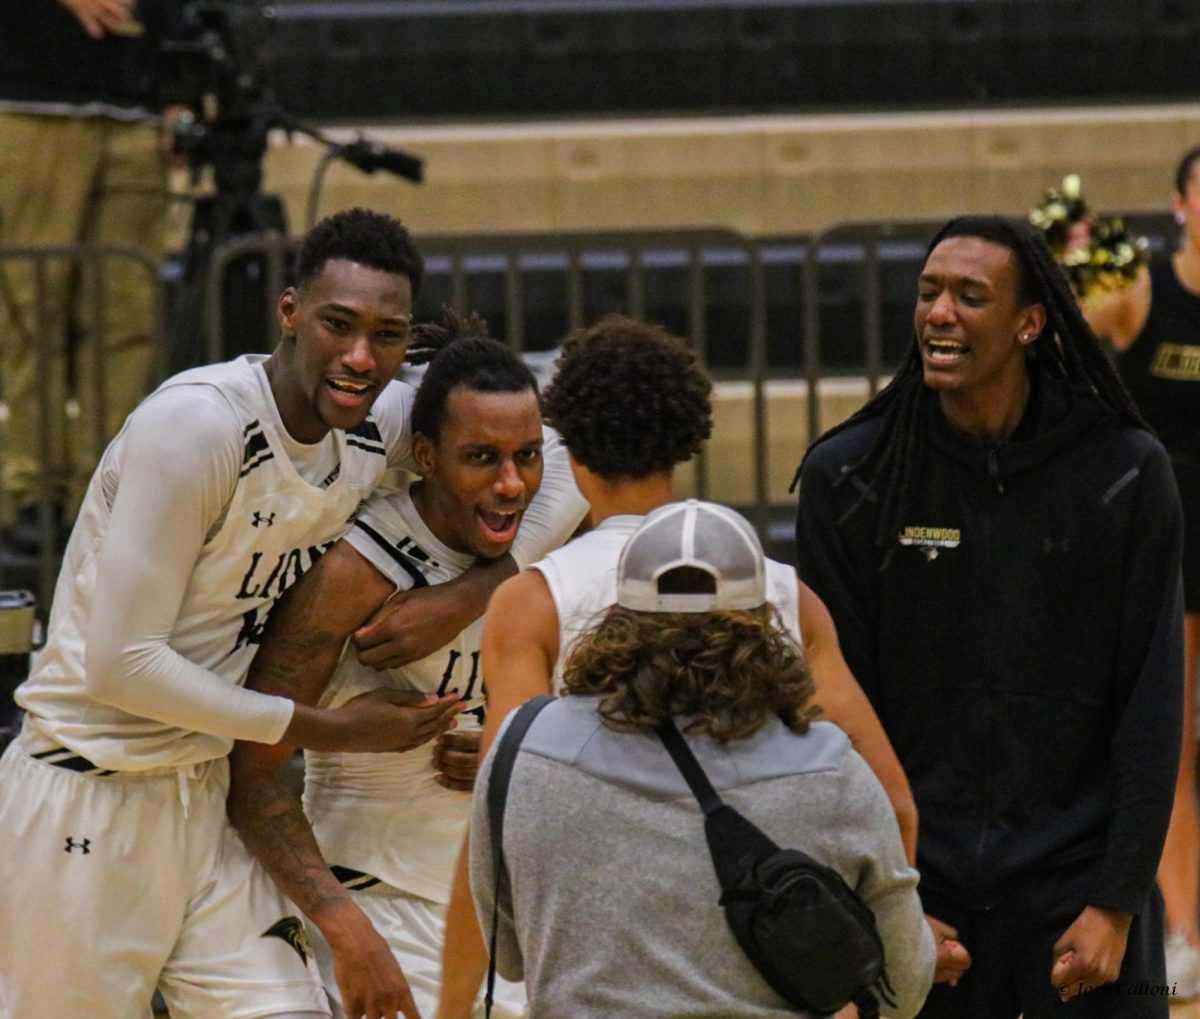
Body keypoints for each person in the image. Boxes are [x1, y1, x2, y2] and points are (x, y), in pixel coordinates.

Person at [0, 208, 583, 1018]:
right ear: (289, 313)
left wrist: (467, 595)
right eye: (337, 325)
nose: (359, 356)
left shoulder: (379, 423)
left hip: (204, 803)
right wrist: (333, 728)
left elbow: (556, 457)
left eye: (385, 335)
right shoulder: (196, 425)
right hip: (88, 793)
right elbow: (121, 664)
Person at [438, 314, 918, 1019]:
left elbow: (499, 820)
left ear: (566, 448)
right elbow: (892, 803)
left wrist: (452, 1010)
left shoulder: (533, 600)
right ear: (687, 438)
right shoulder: (782, 591)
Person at [795, 215, 1184, 1017]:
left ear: (1030, 322)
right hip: (919, 896)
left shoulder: (1123, 471)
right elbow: (834, 715)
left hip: (1082, 896)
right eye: (930, 291)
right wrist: (888, 893)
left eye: (971, 296)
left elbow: (1152, 706)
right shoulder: (855, 476)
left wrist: (1116, 901)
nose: (940, 312)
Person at [469, 499, 935, 1018]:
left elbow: (509, 955)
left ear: (619, 620)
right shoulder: (832, 775)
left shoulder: (525, 750)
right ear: (763, 622)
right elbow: (905, 986)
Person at [228, 315, 548, 1019]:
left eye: (527, 456)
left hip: (509, 916)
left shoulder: (536, 550)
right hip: (383, 900)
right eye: (481, 458)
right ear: (427, 457)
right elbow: (251, 774)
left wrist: (516, 749)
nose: (510, 484)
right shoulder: (357, 572)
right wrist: (347, 930)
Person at [1082, 144, 1200, 997]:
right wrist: (1075, 260)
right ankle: (1186, 927)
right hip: (1177, 531)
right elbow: (1047, 333)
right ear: (1181, 204)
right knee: (1177, 738)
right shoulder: (1141, 292)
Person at [0, 0, 170, 546]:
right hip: (31, 103)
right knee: (32, 305)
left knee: (127, 315)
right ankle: (33, 487)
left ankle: (104, 485)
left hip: (139, 109)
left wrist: (181, 95)